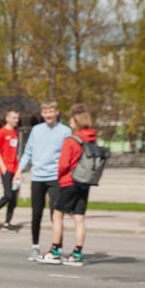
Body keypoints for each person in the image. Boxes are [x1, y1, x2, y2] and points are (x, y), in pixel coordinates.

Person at [14, 100, 73, 261]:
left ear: (57, 112)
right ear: (42, 114)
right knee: (36, 213)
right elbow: (28, 152)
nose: (48, 115)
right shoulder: (36, 130)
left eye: (51, 111)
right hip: (38, 177)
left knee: (56, 215)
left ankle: (57, 248)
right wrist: (19, 170)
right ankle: (35, 246)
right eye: (45, 112)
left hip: (56, 178)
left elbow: (70, 154)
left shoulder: (65, 131)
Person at [39, 104, 96, 266]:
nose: (70, 122)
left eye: (72, 120)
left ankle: (55, 251)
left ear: (77, 122)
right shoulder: (91, 140)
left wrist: (59, 177)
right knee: (79, 218)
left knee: (57, 215)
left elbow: (63, 164)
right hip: (84, 182)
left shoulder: (71, 140)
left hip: (69, 181)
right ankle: (77, 253)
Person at [0, 110, 21, 230]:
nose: (16, 120)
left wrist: (18, 170)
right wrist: (2, 166)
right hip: (5, 168)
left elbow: (14, 152)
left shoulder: (15, 133)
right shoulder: (1, 132)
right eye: (14, 118)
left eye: (17, 118)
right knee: (8, 195)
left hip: (14, 169)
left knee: (14, 198)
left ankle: (7, 223)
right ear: (7, 118)